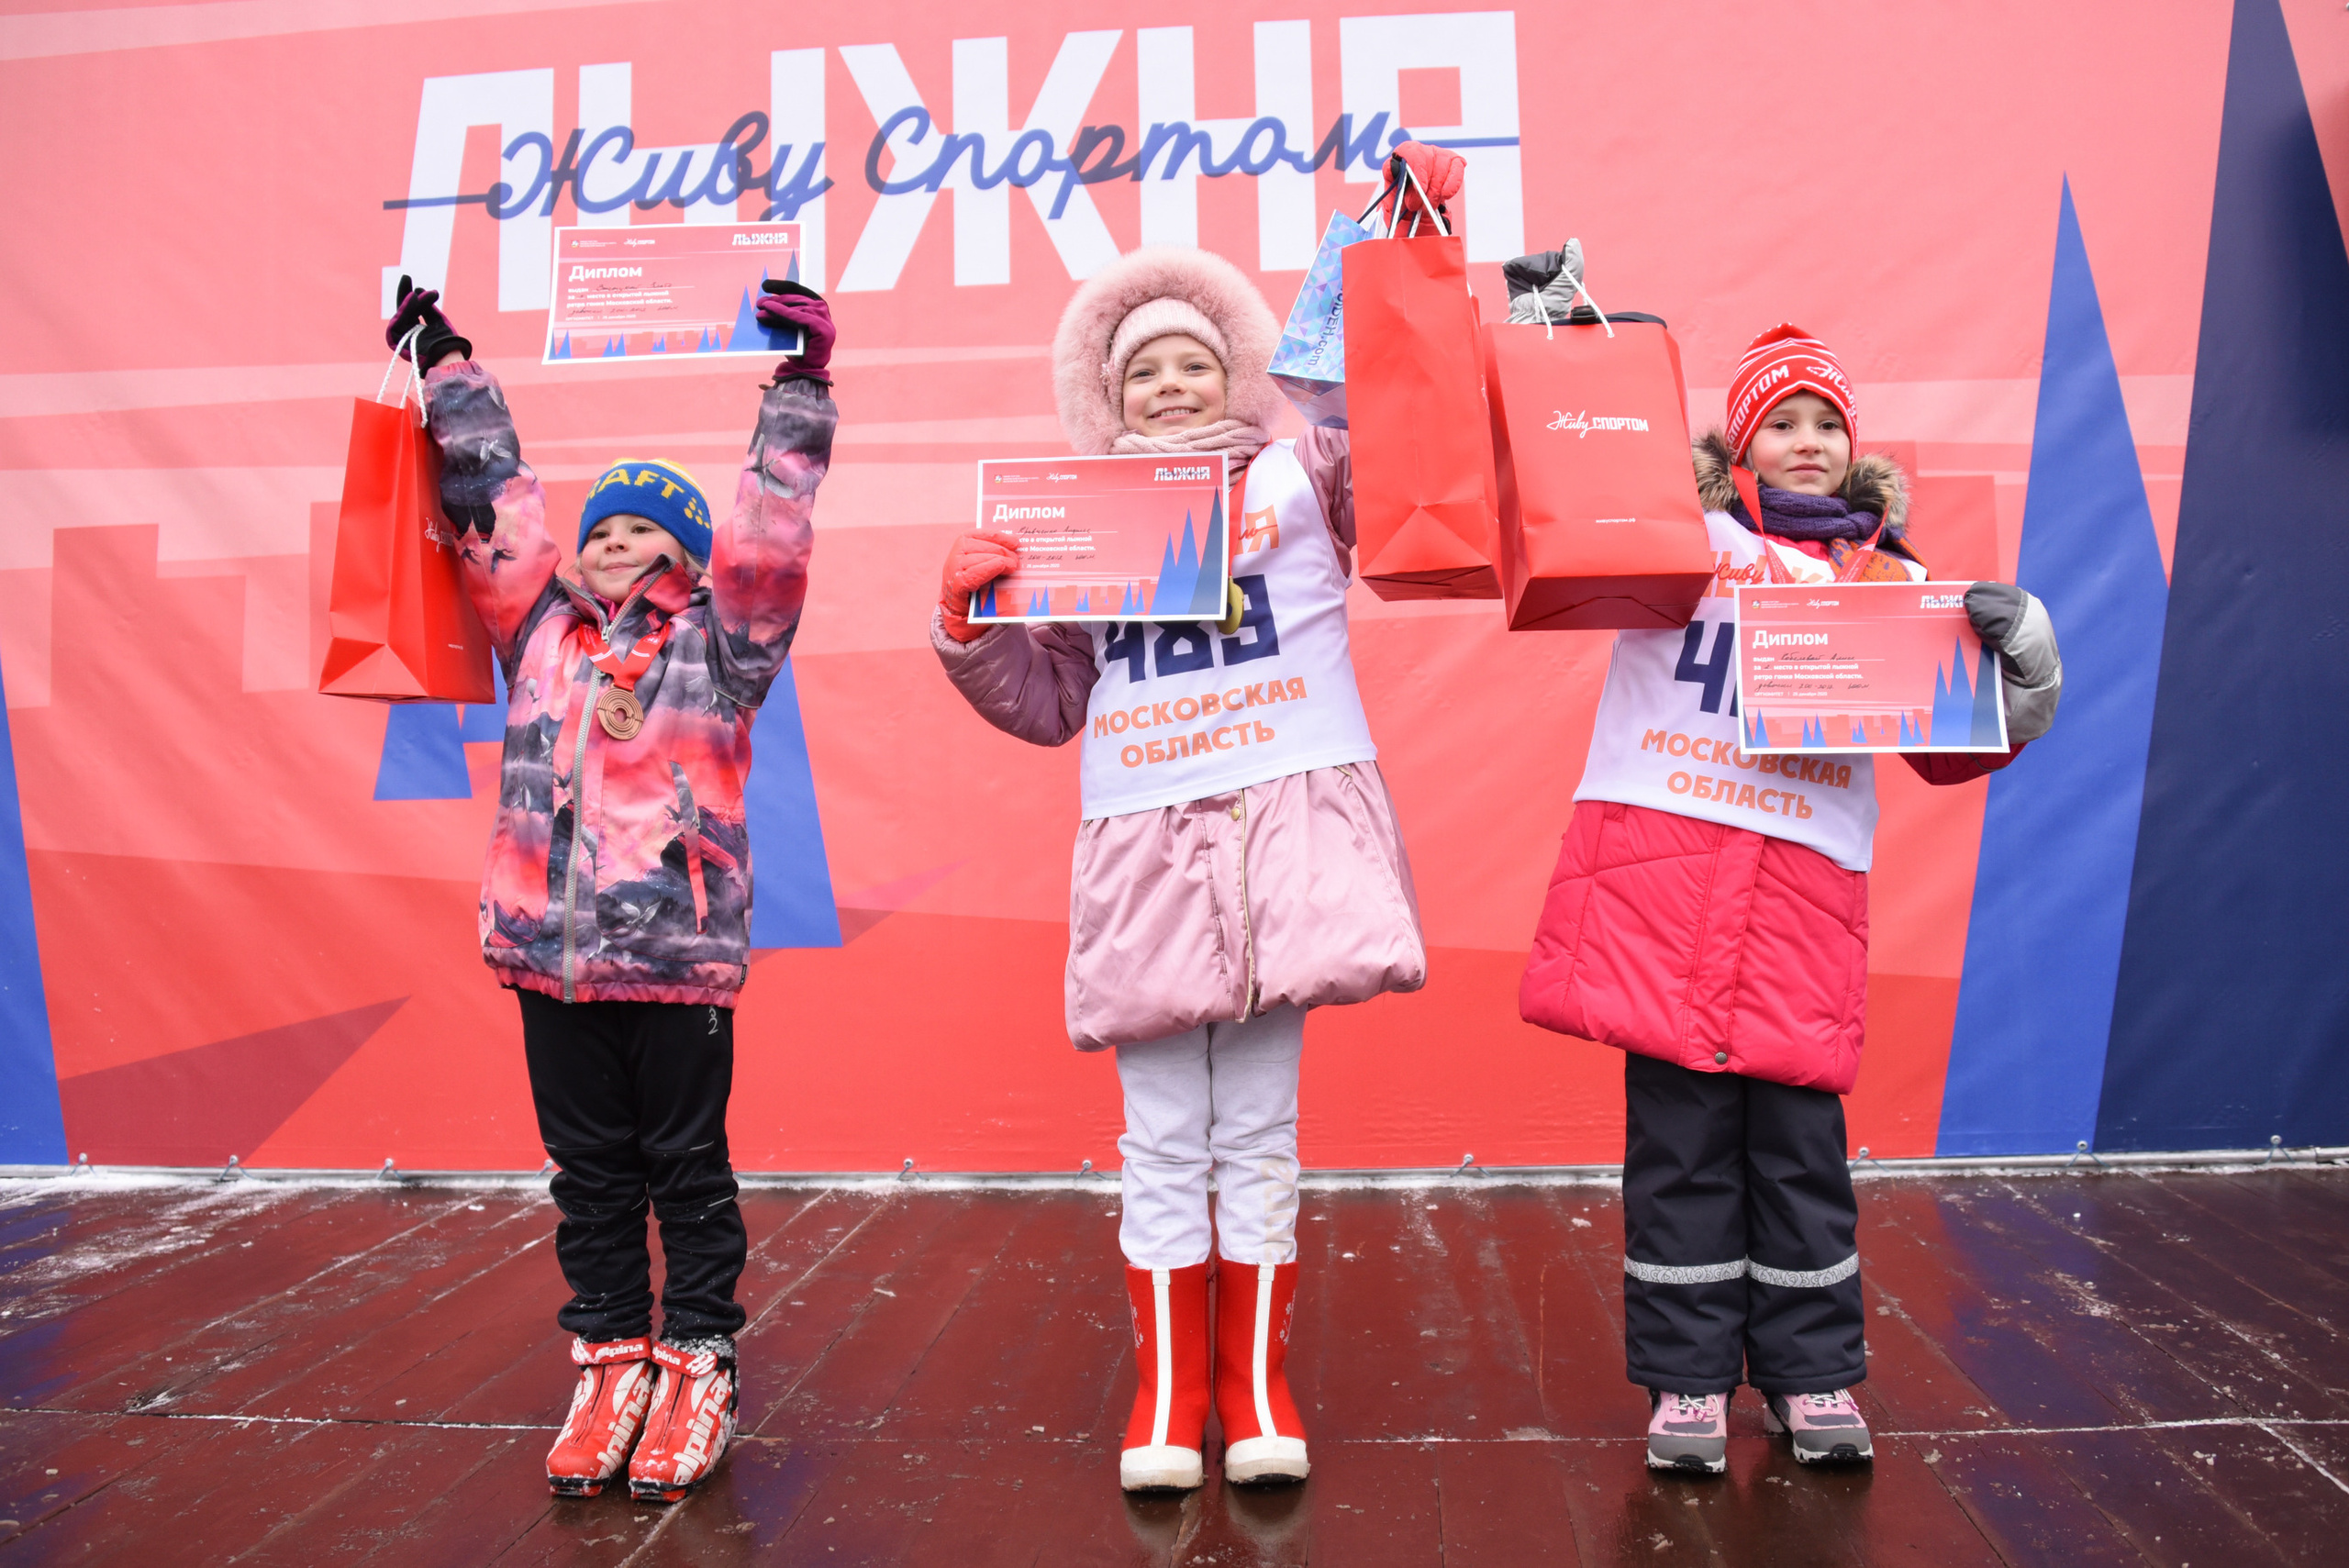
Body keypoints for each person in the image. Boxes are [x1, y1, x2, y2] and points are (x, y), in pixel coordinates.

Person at [926, 144, 1463, 1493]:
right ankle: (1171, 1399)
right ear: (1106, 400)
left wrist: (1413, 255)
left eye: (1193, 365)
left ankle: (1257, 1389)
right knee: (1163, 1134)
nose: (1170, 386)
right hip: (1152, 854)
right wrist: (970, 621)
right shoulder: (1076, 525)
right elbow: (1048, 699)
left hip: (1285, 841)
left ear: (1237, 373)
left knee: (1262, 1133)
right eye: (1141, 373)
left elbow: (1404, 442)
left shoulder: (1306, 480)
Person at [1514, 317, 2062, 1474]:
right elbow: (1568, 510)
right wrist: (1554, 346)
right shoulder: (1678, 535)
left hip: (1802, 906)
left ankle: (1812, 1378)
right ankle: (1685, 1384)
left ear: (1852, 447)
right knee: (1679, 1149)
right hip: (1661, 887)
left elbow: (1952, 749)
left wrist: (2023, 675)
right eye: (1781, 422)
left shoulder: (1895, 580)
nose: (1805, 442)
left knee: (1801, 1151)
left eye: (1825, 424)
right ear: (1741, 442)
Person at [382, 272, 837, 1502]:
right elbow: (498, 496)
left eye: (645, 529)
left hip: (672, 959)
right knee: (586, 1172)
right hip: (549, 954)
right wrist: (448, 368)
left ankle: (698, 1356)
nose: (614, 541)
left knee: (683, 1165)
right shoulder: (538, 630)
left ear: (686, 556)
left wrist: (797, 395)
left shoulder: (719, 649)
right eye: (605, 526)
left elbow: (768, 543)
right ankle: (610, 1359)